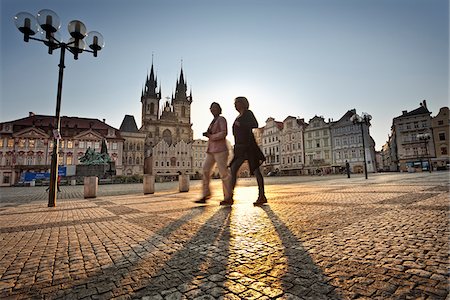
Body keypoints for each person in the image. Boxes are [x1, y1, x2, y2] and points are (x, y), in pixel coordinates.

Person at [221, 96, 266, 206]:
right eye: (234, 103)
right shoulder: (238, 116)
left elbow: (255, 124)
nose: (235, 105)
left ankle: (262, 196)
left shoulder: (248, 113)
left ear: (243, 103)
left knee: (256, 170)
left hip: (249, 146)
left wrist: (241, 125)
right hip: (240, 148)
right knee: (233, 169)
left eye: (237, 103)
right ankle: (230, 197)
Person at [195, 102, 231, 203]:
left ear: (219, 109)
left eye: (214, 108)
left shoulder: (221, 119)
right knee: (205, 170)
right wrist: (208, 134)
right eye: (211, 108)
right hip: (211, 150)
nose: (212, 109)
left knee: (223, 173)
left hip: (221, 150)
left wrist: (210, 136)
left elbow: (224, 133)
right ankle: (206, 194)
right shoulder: (213, 121)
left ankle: (228, 197)